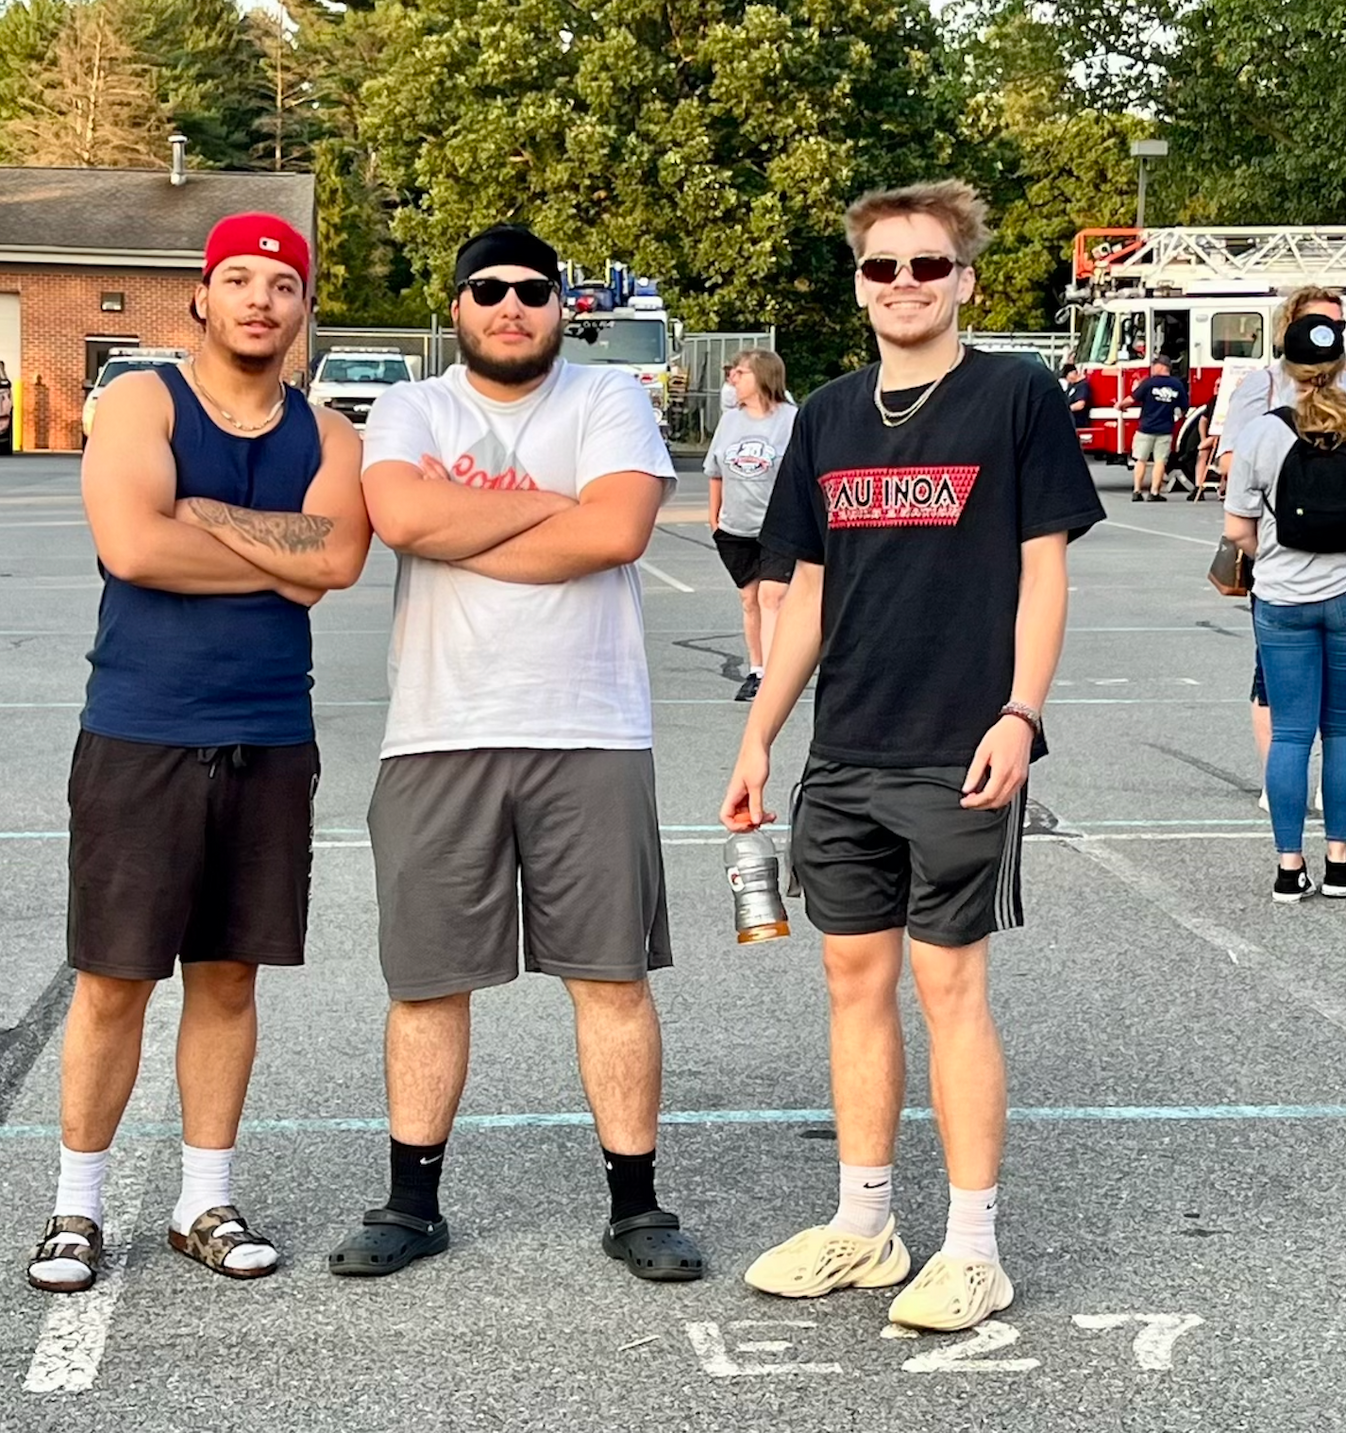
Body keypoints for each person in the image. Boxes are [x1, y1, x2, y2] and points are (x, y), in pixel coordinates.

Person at [721, 180, 1103, 1332]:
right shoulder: (827, 417)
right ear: (858, 283)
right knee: (852, 987)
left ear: (966, 279)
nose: (903, 284)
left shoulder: (1014, 396)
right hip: (847, 752)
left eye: (927, 265)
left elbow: (1045, 568)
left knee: (951, 988)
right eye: (882, 266)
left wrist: (1021, 712)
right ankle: (865, 1223)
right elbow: (809, 596)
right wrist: (758, 736)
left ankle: (974, 1242)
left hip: (962, 744)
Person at [332, 224, 702, 1286]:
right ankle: (411, 1201)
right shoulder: (413, 404)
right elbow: (399, 514)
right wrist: (552, 505)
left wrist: (478, 524)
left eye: (531, 291)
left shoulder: (607, 399)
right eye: (487, 289)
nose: (510, 306)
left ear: (559, 306)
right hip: (438, 730)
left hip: (590, 727)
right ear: (456, 306)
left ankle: (637, 1204)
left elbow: (618, 531)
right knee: (428, 981)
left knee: (611, 975)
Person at [26, 213, 371, 1294]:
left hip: (270, 733)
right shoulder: (140, 398)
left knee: (228, 977)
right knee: (114, 978)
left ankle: (202, 1198)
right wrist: (279, 552)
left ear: (304, 305)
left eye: (282, 282)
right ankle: (75, 1208)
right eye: (239, 279)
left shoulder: (331, 436)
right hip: (143, 730)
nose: (261, 299)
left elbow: (338, 561)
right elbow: (130, 544)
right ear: (202, 298)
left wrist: (202, 513)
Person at [1224, 313, 1346, 902]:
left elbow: (1239, 529)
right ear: (1345, 367)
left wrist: (1277, 557)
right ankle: (1339, 862)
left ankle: (1287, 867)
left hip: (1282, 597)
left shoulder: (1263, 433)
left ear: (1287, 368)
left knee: (1291, 734)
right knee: (1345, 727)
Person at [1219, 288, 1346, 813]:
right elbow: (1231, 464)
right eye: (1318, 322)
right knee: (1273, 678)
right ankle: (1280, 782)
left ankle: (1329, 789)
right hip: (1283, 553)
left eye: (1336, 322)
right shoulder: (1263, 386)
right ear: (1291, 328)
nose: (1329, 331)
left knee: (1341, 694)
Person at [707, 348, 799, 701]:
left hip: (779, 526)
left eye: (739, 372)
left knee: (771, 595)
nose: (732, 378)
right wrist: (714, 519)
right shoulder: (730, 420)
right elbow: (715, 471)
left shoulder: (791, 419)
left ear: (762, 376)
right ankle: (756, 669)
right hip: (736, 528)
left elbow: (804, 473)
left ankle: (774, 676)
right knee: (750, 599)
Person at [1128, 356, 1188, 501]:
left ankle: (1137, 491)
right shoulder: (1177, 384)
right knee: (1160, 461)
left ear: (1161, 367)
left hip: (1145, 428)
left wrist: (1120, 406)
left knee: (1140, 460)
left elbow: (1132, 399)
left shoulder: (1149, 383)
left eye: (1155, 365)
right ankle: (1154, 492)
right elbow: (1184, 407)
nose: (1153, 368)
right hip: (1165, 429)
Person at [1062, 363, 1094, 428]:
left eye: (1066, 376)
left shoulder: (1083, 386)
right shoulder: (1070, 386)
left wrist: (1066, 409)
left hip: (1079, 423)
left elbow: (1080, 405)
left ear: (1073, 373)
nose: (1066, 379)